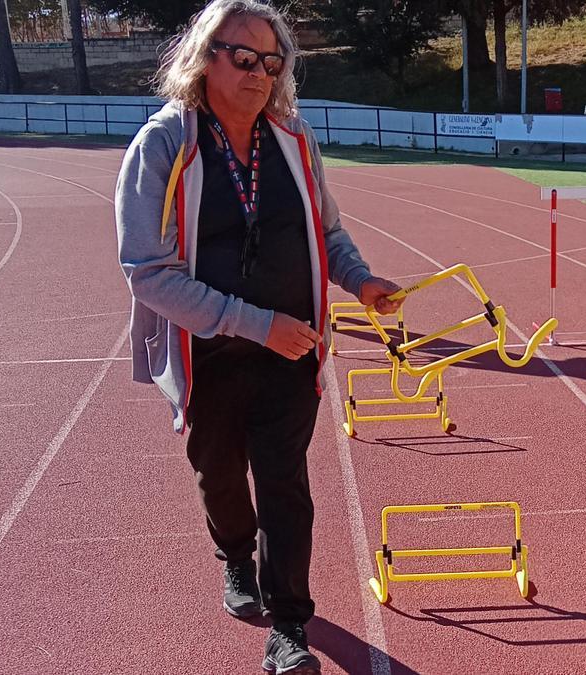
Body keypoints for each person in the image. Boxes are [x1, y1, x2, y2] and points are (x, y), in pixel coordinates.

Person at [114, 1, 402, 672]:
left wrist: (358, 281)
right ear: (205, 57)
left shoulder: (294, 141)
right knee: (219, 474)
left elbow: (327, 232)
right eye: (244, 58)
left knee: (284, 483)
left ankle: (290, 628)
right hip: (206, 354)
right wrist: (253, 323)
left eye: (272, 62)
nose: (259, 74)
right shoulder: (164, 145)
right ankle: (234, 555)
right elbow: (147, 272)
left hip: (291, 348)